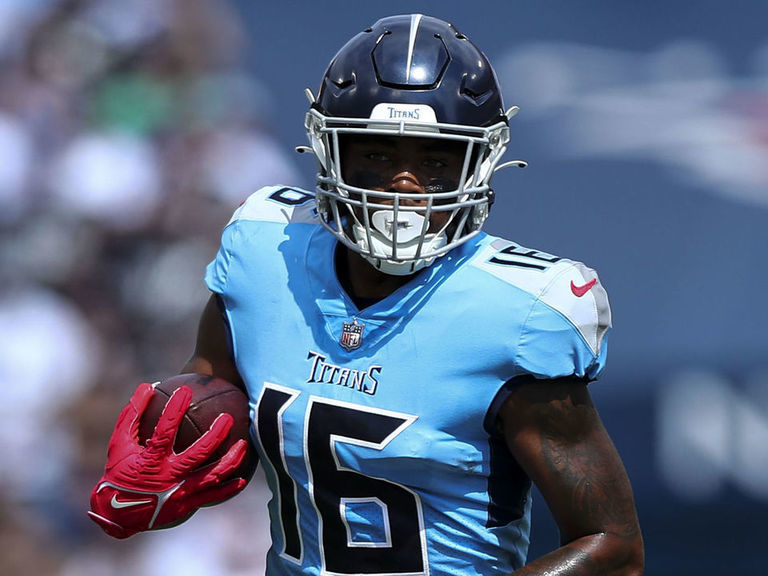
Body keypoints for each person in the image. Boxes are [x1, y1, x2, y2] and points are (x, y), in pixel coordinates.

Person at [88, 13, 644, 576]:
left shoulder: (518, 313)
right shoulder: (264, 257)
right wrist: (161, 476)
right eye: (378, 154)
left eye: (434, 160)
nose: (405, 183)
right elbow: (221, 406)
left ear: (480, 162)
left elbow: (614, 546)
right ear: (329, 150)